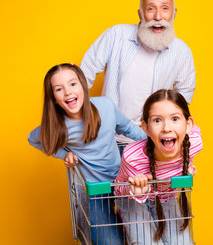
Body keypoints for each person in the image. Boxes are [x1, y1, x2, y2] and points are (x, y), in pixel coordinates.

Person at [27, 63, 147, 245]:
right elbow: (32, 138)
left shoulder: (105, 106)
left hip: (122, 181)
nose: (68, 92)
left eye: (72, 84)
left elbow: (128, 128)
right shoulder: (58, 126)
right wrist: (63, 154)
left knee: (142, 236)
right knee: (109, 242)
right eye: (59, 89)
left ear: (83, 85)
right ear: (54, 99)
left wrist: (154, 146)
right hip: (94, 191)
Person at [80, 0, 196, 145]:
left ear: (173, 13)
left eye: (164, 8)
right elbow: (84, 74)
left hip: (153, 143)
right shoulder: (116, 35)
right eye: (150, 9)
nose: (158, 16)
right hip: (108, 140)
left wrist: (165, 128)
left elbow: (185, 92)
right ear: (141, 14)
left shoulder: (181, 51)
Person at [114, 89, 203, 245]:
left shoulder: (194, 142)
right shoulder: (133, 157)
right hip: (132, 201)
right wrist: (134, 189)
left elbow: (189, 153)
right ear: (146, 127)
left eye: (175, 118)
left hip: (166, 197)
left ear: (188, 125)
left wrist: (189, 168)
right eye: (157, 120)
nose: (166, 128)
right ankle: (126, 217)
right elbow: (118, 189)